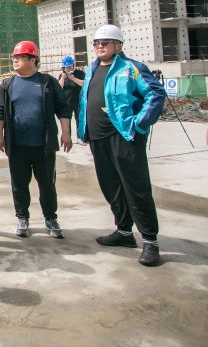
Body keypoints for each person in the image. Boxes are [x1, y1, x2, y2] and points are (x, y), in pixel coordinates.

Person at [78, 24, 165, 266]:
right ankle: (124, 232)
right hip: (98, 139)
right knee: (111, 187)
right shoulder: (92, 69)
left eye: (105, 42)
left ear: (118, 45)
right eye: (96, 43)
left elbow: (155, 94)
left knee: (136, 188)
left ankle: (150, 241)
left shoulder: (131, 68)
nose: (100, 46)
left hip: (125, 137)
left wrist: (139, 123)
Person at [0, 41, 72, 239]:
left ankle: (51, 218)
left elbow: (63, 108)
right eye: (14, 57)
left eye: (19, 57)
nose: (15, 61)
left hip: (43, 145)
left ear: (33, 60)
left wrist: (66, 133)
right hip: (17, 146)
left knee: (47, 184)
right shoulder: (7, 85)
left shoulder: (47, 82)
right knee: (19, 184)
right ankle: (22, 217)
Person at [58, 55, 85, 137]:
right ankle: (68, 137)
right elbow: (59, 88)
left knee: (79, 119)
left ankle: (80, 137)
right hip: (67, 102)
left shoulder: (80, 73)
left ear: (73, 65)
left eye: (70, 66)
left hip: (78, 101)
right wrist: (63, 78)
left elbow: (84, 84)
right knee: (67, 120)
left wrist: (74, 79)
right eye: (66, 67)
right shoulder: (62, 75)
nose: (68, 69)